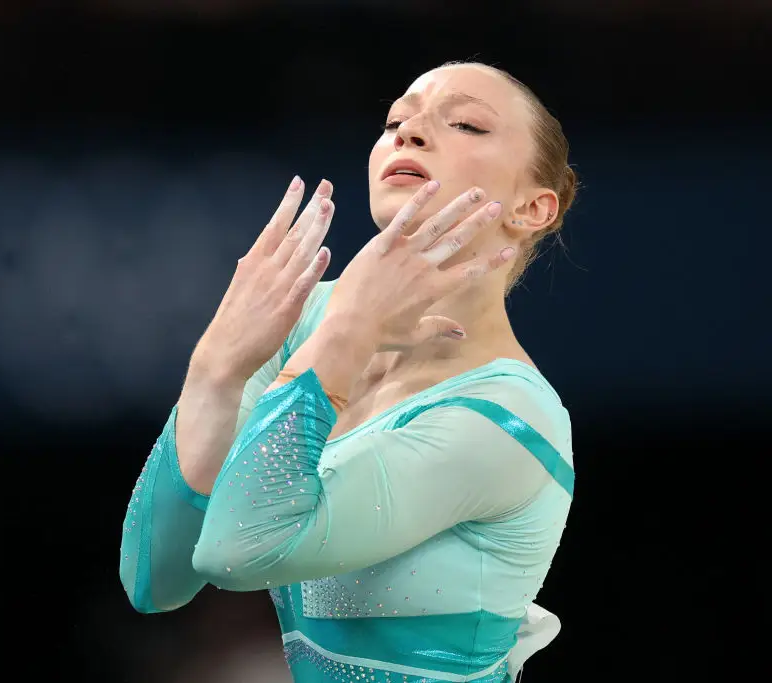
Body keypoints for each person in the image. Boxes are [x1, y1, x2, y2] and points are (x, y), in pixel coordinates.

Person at [119, 61, 577, 683]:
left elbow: (236, 552)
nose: (409, 132)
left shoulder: (510, 419)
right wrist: (214, 371)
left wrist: (344, 334)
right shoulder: (308, 322)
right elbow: (155, 579)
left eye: (466, 123)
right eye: (395, 120)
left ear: (532, 208)